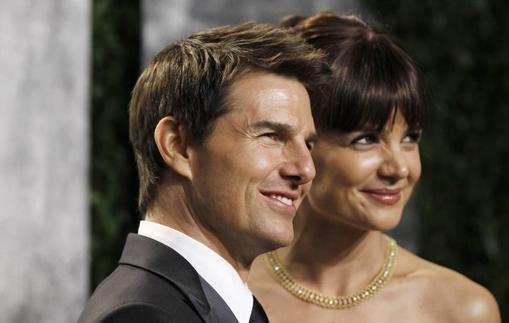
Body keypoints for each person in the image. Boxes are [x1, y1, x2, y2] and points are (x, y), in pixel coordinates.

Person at [248, 12, 501, 323]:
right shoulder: (227, 296)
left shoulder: (461, 309)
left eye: (410, 138)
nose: (399, 168)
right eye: (366, 139)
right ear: (296, 143)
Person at [78, 22, 329, 323]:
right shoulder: (142, 315)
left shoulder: (229, 307)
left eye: (308, 144)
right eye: (271, 136)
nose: (305, 168)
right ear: (178, 146)